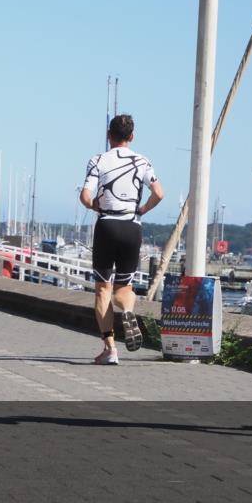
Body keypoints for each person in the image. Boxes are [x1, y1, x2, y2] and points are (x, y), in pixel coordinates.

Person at [80, 114, 164, 365]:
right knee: (124, 287)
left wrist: (97, 206)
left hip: (107, 225)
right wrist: (142, 209)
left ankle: (109, 349)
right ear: (132, 136)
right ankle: (127, 311)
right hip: (132, 227)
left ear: (109, 135)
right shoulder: (143, 161)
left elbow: (85, 196)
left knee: (103, 289)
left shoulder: (98, 160)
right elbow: (159, 193)